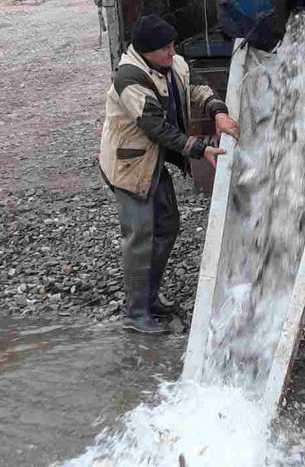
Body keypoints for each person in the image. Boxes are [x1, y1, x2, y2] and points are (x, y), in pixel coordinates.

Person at [99, 14, 240, 334]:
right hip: (130, 166)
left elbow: (196, 86)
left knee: (167, 224)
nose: (172, 52)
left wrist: (218, 112)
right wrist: (199, 148)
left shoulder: (171, 62)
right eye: (165, 48)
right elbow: (155, 128)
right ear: (146, 51)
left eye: (173, 45)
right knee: (138, 238)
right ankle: (136, 314)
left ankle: (149, 297)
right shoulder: (128, 79)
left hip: (153, 160)